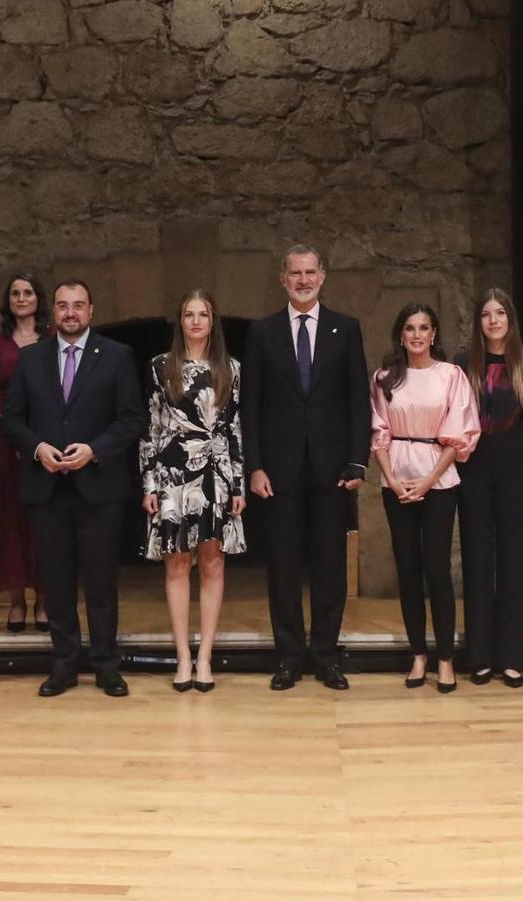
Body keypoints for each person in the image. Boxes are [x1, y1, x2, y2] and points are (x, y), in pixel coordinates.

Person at [2, 278, 146, 698]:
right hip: (47, 486)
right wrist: (37, 448)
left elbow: (132, 419)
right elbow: (12, 420)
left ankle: (106, 665)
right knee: (57, 583)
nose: (70, 313)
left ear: (91, 310)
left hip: (99, 486)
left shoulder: (117, 356)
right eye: (63, 305)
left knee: (101, 583)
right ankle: (63, 664)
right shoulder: (30, 359)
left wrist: (95, 450)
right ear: (56, 311)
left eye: (78, 305)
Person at [242, 245, 370, 692]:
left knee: (330, 568)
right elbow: (250, 407)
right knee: (283, 566)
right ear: (282, 278)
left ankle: (326, 656)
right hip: (278, 471)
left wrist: (358, 459)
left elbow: (358, 400)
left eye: (310, 272)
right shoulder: (262, 332)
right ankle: (289, 657)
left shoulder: (346, 329)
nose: (302, 279)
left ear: (323, 276)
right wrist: (254, 466)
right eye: (294, 273)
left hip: (332, 469)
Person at [371, 304, 481, 693]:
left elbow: (460, 432)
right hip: (396, 478)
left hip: (438, 478)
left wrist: (429, 478)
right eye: (409, 328)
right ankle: (418, 653)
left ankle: (446, 659)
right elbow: (379, 432)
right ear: (400, 335)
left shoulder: (450, 375)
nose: (416, 335)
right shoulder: (385, 378)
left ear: (434, 333)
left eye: (424, 328)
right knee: (408, 568)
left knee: (436, 569)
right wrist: (392, 479)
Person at [140, 289, 247, 693]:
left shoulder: (231, 368)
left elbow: (235, 428)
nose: (196, 320)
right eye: (189, 314)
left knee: (213, 562)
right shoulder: (159, 367)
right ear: (180, 320)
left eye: (204, 314)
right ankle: (182, 656)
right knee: (177, 564)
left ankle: (206, 657)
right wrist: (149, 482)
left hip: (215, 472)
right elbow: (150, 429)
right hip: (171, 471)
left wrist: (238, 482)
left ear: (212, 320)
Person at [454, 289, 523, 688]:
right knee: (476, 557)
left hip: (515, 466)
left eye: (500, 313)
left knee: (513, 559)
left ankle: (511, 655)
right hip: (473, 467)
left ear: (511, 318)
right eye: (486, 314)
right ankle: (479, 655)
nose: (493, 320)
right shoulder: (462, 363)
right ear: (479, 321)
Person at [0, 273, 48, 631]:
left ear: (38, 298)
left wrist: (36, 440)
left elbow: (57, 390)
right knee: (9, 519)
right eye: (15, 293)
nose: (21, 298)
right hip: (6, 441)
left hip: (47, 440)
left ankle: (43, 600)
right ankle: (18, 600)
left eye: (28, 292)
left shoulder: (51, 337)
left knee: (42, 520)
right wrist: (18, 435)